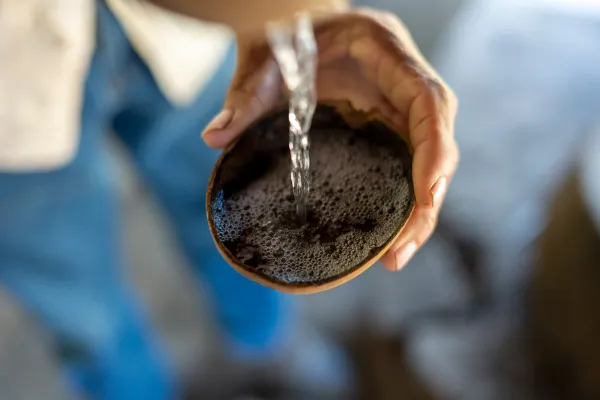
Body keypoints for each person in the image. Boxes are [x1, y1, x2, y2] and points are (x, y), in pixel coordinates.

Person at [0, 0, 458, 399]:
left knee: (238, 200)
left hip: (176, 37)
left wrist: (305, 13)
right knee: (79, 301)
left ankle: (268, 345)